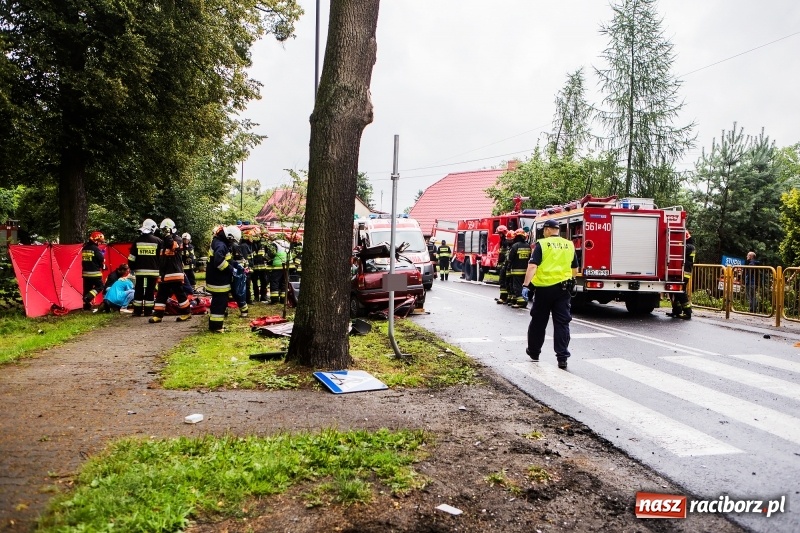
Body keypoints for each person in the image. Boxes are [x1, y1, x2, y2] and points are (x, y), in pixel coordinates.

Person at [522, 219, 578, 370]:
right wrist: (571, 280)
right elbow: (574, 269)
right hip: (563, 290)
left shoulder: (542, 244)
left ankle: (534, 353)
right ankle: (562, 357)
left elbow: (533, 266)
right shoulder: (569, 245)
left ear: (547, 230)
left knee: (539, 322)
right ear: (557, 230)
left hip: (544, 290)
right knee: (562, 323)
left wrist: (526, 285)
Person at [150, 218, 192, 323]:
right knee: (161, 294)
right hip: (164, 274)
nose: (163, 232)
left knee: (180, 294)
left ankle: (186, 312)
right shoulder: (163, 241)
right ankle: (158, 315)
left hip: (174, 273)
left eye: (165, 230)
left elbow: (173, 246)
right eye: (163, 230)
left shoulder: (177, 239)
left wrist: (168, 235)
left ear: (170, 229)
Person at [207, 225, 242, 332]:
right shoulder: (221, 245)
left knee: (218, 303)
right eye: (232, 241)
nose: (232, 243)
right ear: (229, 237)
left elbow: (226, 259)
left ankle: (215, 325)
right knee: (219, 304)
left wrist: (235, 265)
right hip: (218, 281)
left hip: (217, 279)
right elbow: (219, 263)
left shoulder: (220, 242)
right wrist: (232, 270)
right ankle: (216, 327)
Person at [128, 218, 162, 317]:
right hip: (153, 271)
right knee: (150, 290)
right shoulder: (158, 241)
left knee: (138, 290)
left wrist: (132, 268)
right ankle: (148, 311)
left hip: (139, 271)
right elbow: (162, 257)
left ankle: (137, 311)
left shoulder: (137, 241)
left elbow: (131, 257)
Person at [668, 232, 695, 319]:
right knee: (674, 292)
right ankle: (676, 311)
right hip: (680, 271)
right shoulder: (689, 246)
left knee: (680, 292)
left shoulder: (690, 247)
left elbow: (680, 250)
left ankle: (688, 312)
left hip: (685, 273)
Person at [81, 231, 106, 310]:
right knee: (100, 286)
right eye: (99, 241)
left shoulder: (85, 248)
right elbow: (101, 259)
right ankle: (88, 298)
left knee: (87, 289)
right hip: (95, 273)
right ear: (96, 240)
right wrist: (102, 254)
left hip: (85, 273)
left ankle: (86, 306)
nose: (100, 243)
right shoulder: (95, 249)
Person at [507, 228, 531, 308]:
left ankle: (520, 302)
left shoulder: (515, 246)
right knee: (524, 286)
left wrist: (508, 266)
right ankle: (524, 300)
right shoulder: (528, 246)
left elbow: (510, 258)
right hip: (526, 271)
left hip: (516, 271)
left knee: (517, 287)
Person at [494, 225, 509, 304]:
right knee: (503, 281)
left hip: (504, 264)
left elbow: (505, 255)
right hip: (502, 264)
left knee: (503, 281)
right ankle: (503, 297)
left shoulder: (506, 242)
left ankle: (503, 298)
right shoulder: (503, 241)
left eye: (500, 233)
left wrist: (502, 264)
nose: (499, 235)